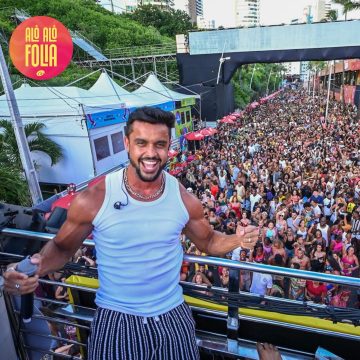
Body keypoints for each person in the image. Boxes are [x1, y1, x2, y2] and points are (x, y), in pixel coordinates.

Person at [3, 107, 258, 360]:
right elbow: (62, 248)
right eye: (141, 143)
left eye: (159, 144)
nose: (151, 153)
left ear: (169, 145)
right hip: (116, 318)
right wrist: (34, 268)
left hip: (173, 315)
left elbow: (209, 240)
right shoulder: (96, 197)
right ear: (127, 143)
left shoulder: (183, 197)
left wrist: (238, 239)